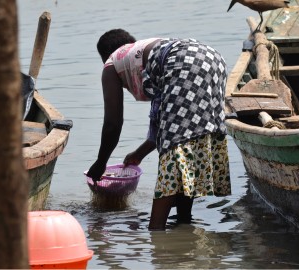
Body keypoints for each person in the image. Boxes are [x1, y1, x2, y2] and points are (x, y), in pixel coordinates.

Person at [87, 29, 231, 230]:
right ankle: (183, 222)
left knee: (174, 150)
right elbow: (164, 117)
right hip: (213, 59)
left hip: (184, 61)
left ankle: (156, 233)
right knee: (189, 141)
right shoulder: (147, 51)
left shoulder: (112, 64)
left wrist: (100, 163)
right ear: (131, 42)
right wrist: (139, 153)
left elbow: (113, 123)